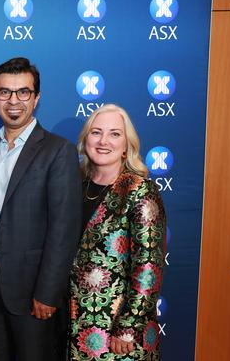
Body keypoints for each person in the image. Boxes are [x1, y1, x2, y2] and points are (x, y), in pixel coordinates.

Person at [0, 57, 82, 360]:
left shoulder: (58, 151)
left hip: (32, 291)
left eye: (23, 92)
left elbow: (64, 230)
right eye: (4, 92)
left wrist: (47, 293)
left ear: (36, 98)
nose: (13, 101)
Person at [69, 104, 166, 360]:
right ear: (85, 140)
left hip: (118, 334)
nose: (103, 141)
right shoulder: (73, 185)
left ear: (126, 146)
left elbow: (149, 265)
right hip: (74, 325)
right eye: (96, 132)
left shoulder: (139, 190)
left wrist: (129, 325)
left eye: (114, 134)